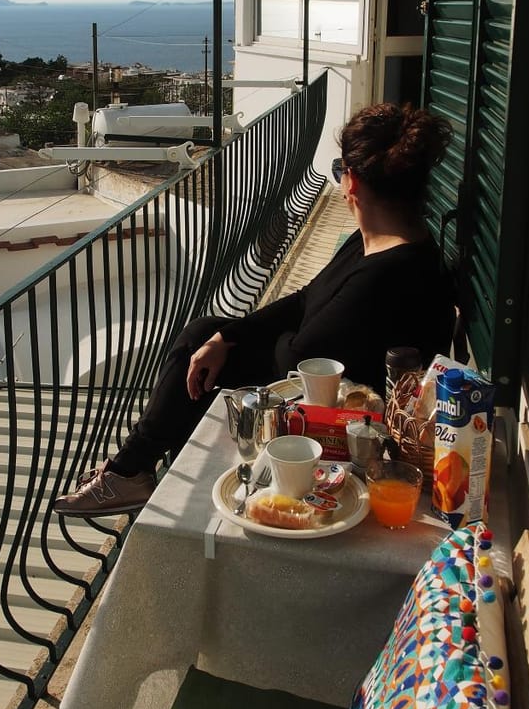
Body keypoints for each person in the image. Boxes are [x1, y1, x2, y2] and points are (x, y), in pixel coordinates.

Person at [54, 102, 455, 515]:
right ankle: (132, 469)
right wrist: (228, 336)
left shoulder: (393, 273)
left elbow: (299, 359)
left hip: (345, 424)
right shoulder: (375, 240)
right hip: (323, 390)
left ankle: (135, 473)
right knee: (206, 334)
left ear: (351, 183)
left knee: (205, 359)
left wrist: (244, 341)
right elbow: (304, 300)